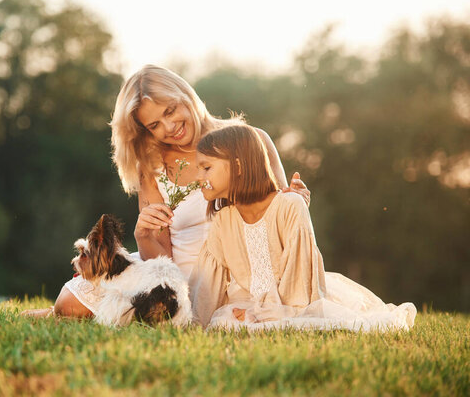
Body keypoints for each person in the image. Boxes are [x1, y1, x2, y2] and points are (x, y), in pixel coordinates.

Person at [21, 65, 309, 319]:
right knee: (70, 303)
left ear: (186, 96)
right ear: (145, 130)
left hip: (240, 273)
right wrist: (144, 235)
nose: (170, 127)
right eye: (155, 125)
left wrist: (294, 198)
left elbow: (278, 221)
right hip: (177, 277)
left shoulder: (250, 141)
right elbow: (160, 261)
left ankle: (124, 312)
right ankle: (76, 312)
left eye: (170, 110)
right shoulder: (152, 166)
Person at [190, 124, 416, 331]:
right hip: (248, 304)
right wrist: (192, 322)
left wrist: (264, 314)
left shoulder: (289, 206)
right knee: (223, 323)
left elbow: (299, 285)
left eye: (206, 168)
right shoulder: (223, 221)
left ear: (238, 166)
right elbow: (207, 288)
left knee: (311, 323)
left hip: (297, 303)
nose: (198, 177)